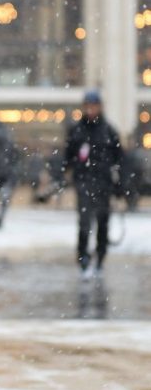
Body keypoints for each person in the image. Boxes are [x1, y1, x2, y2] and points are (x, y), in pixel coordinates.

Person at [62, 90, 123, 278]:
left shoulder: (109, 130)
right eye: (87, 105)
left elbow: (119, 159)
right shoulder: (77, 130)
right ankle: (83, 259)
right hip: (84, 182)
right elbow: (68, 156)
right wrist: (66, 175)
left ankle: (100, 258)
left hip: (104, 183)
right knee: (84, 223)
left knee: (103, 223)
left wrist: (120, 184)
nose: (90, 109)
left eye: (93, 105)